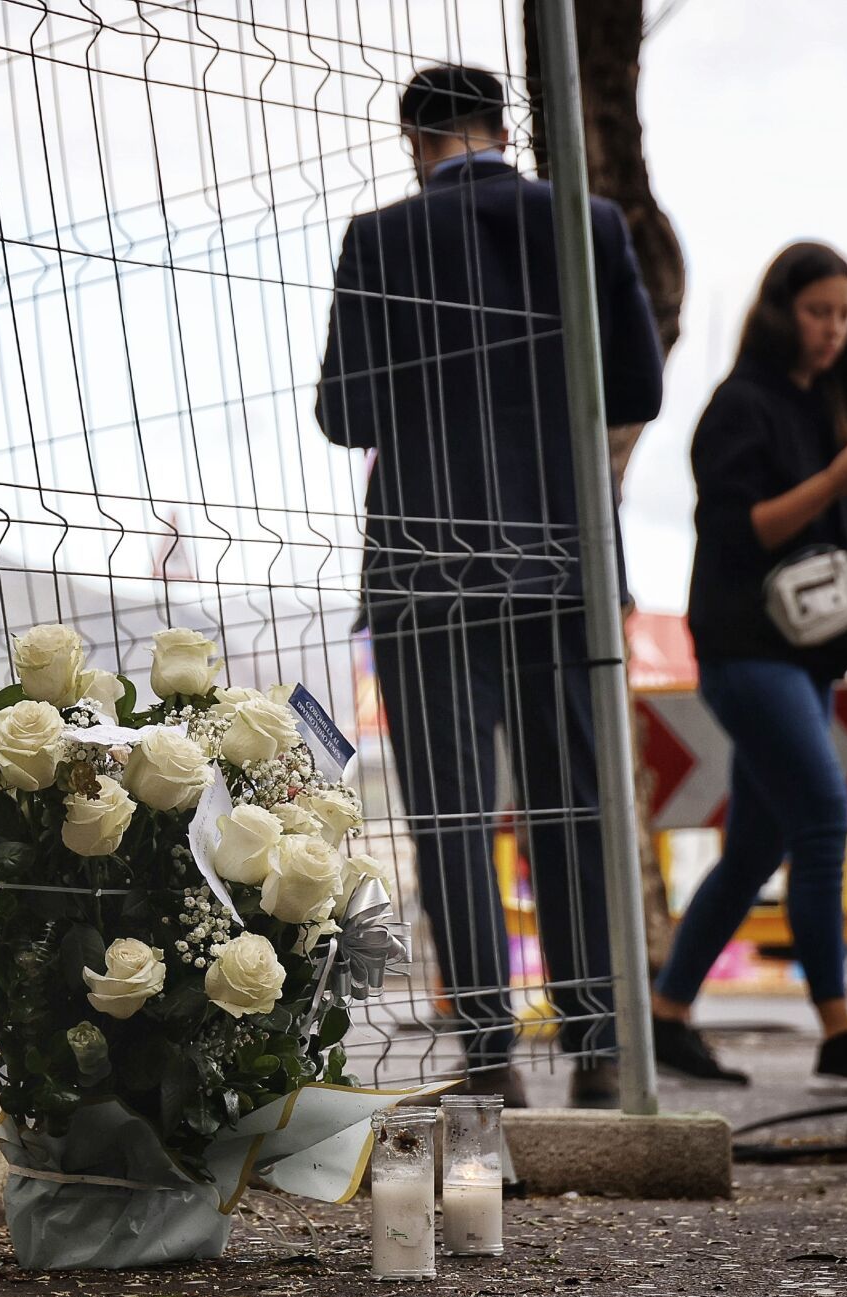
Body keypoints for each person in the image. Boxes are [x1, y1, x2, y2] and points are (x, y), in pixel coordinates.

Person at [314, 66, 666, 1110]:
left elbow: (344, 413)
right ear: (501, 129)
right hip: (564, 561)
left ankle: (486, 1050)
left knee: (452, 817)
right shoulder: (587, 224)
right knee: (569, 803)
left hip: (425, 569)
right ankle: (598, 1047)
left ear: (412, 140)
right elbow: (639, 386)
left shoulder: (380, 240)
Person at [649, 242, 847, 1090]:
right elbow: (742, 530)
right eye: (820, 311)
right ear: (782, 311)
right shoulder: (740, 406)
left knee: (754, 849)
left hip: (811, 663)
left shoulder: (841, 413)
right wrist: (832, 482)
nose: (832, 329)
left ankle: (670, 1016)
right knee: (823, 819)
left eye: (845, 315)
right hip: (746, 653)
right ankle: (838, 1032)